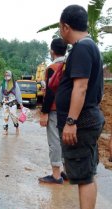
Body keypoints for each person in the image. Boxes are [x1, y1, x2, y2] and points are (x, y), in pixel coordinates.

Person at [57, 5, 104, 209]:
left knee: (84, 175)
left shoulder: (83, 49)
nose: (59, 31)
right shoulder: (88, 46)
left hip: (82, 121)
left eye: (59, 26)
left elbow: (81, 86)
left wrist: (71, 121)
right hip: (87, 118)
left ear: (66, 26)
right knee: (85, 172)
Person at [38, 38, 68, 184]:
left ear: (52, 51)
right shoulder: (69, 65)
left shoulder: (53, 68)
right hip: (70, 110)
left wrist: (44, 112)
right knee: (66, 140)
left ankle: (56, 175)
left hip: (55, 109)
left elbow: (50, 92)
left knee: (54, 141)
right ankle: (67, 172)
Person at [0, 70, 23, 135]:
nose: (7, 77)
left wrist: (20, 103)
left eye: (8, 75)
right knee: (5, 116)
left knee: (14, 116)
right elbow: (0, 93)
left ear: (11, 76)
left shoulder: (14, 84)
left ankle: (17, 128)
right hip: (5, 102)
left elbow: (18, 93)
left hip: (13, 102)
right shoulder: (3, 84)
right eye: (5, 75)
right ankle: (5, 130)